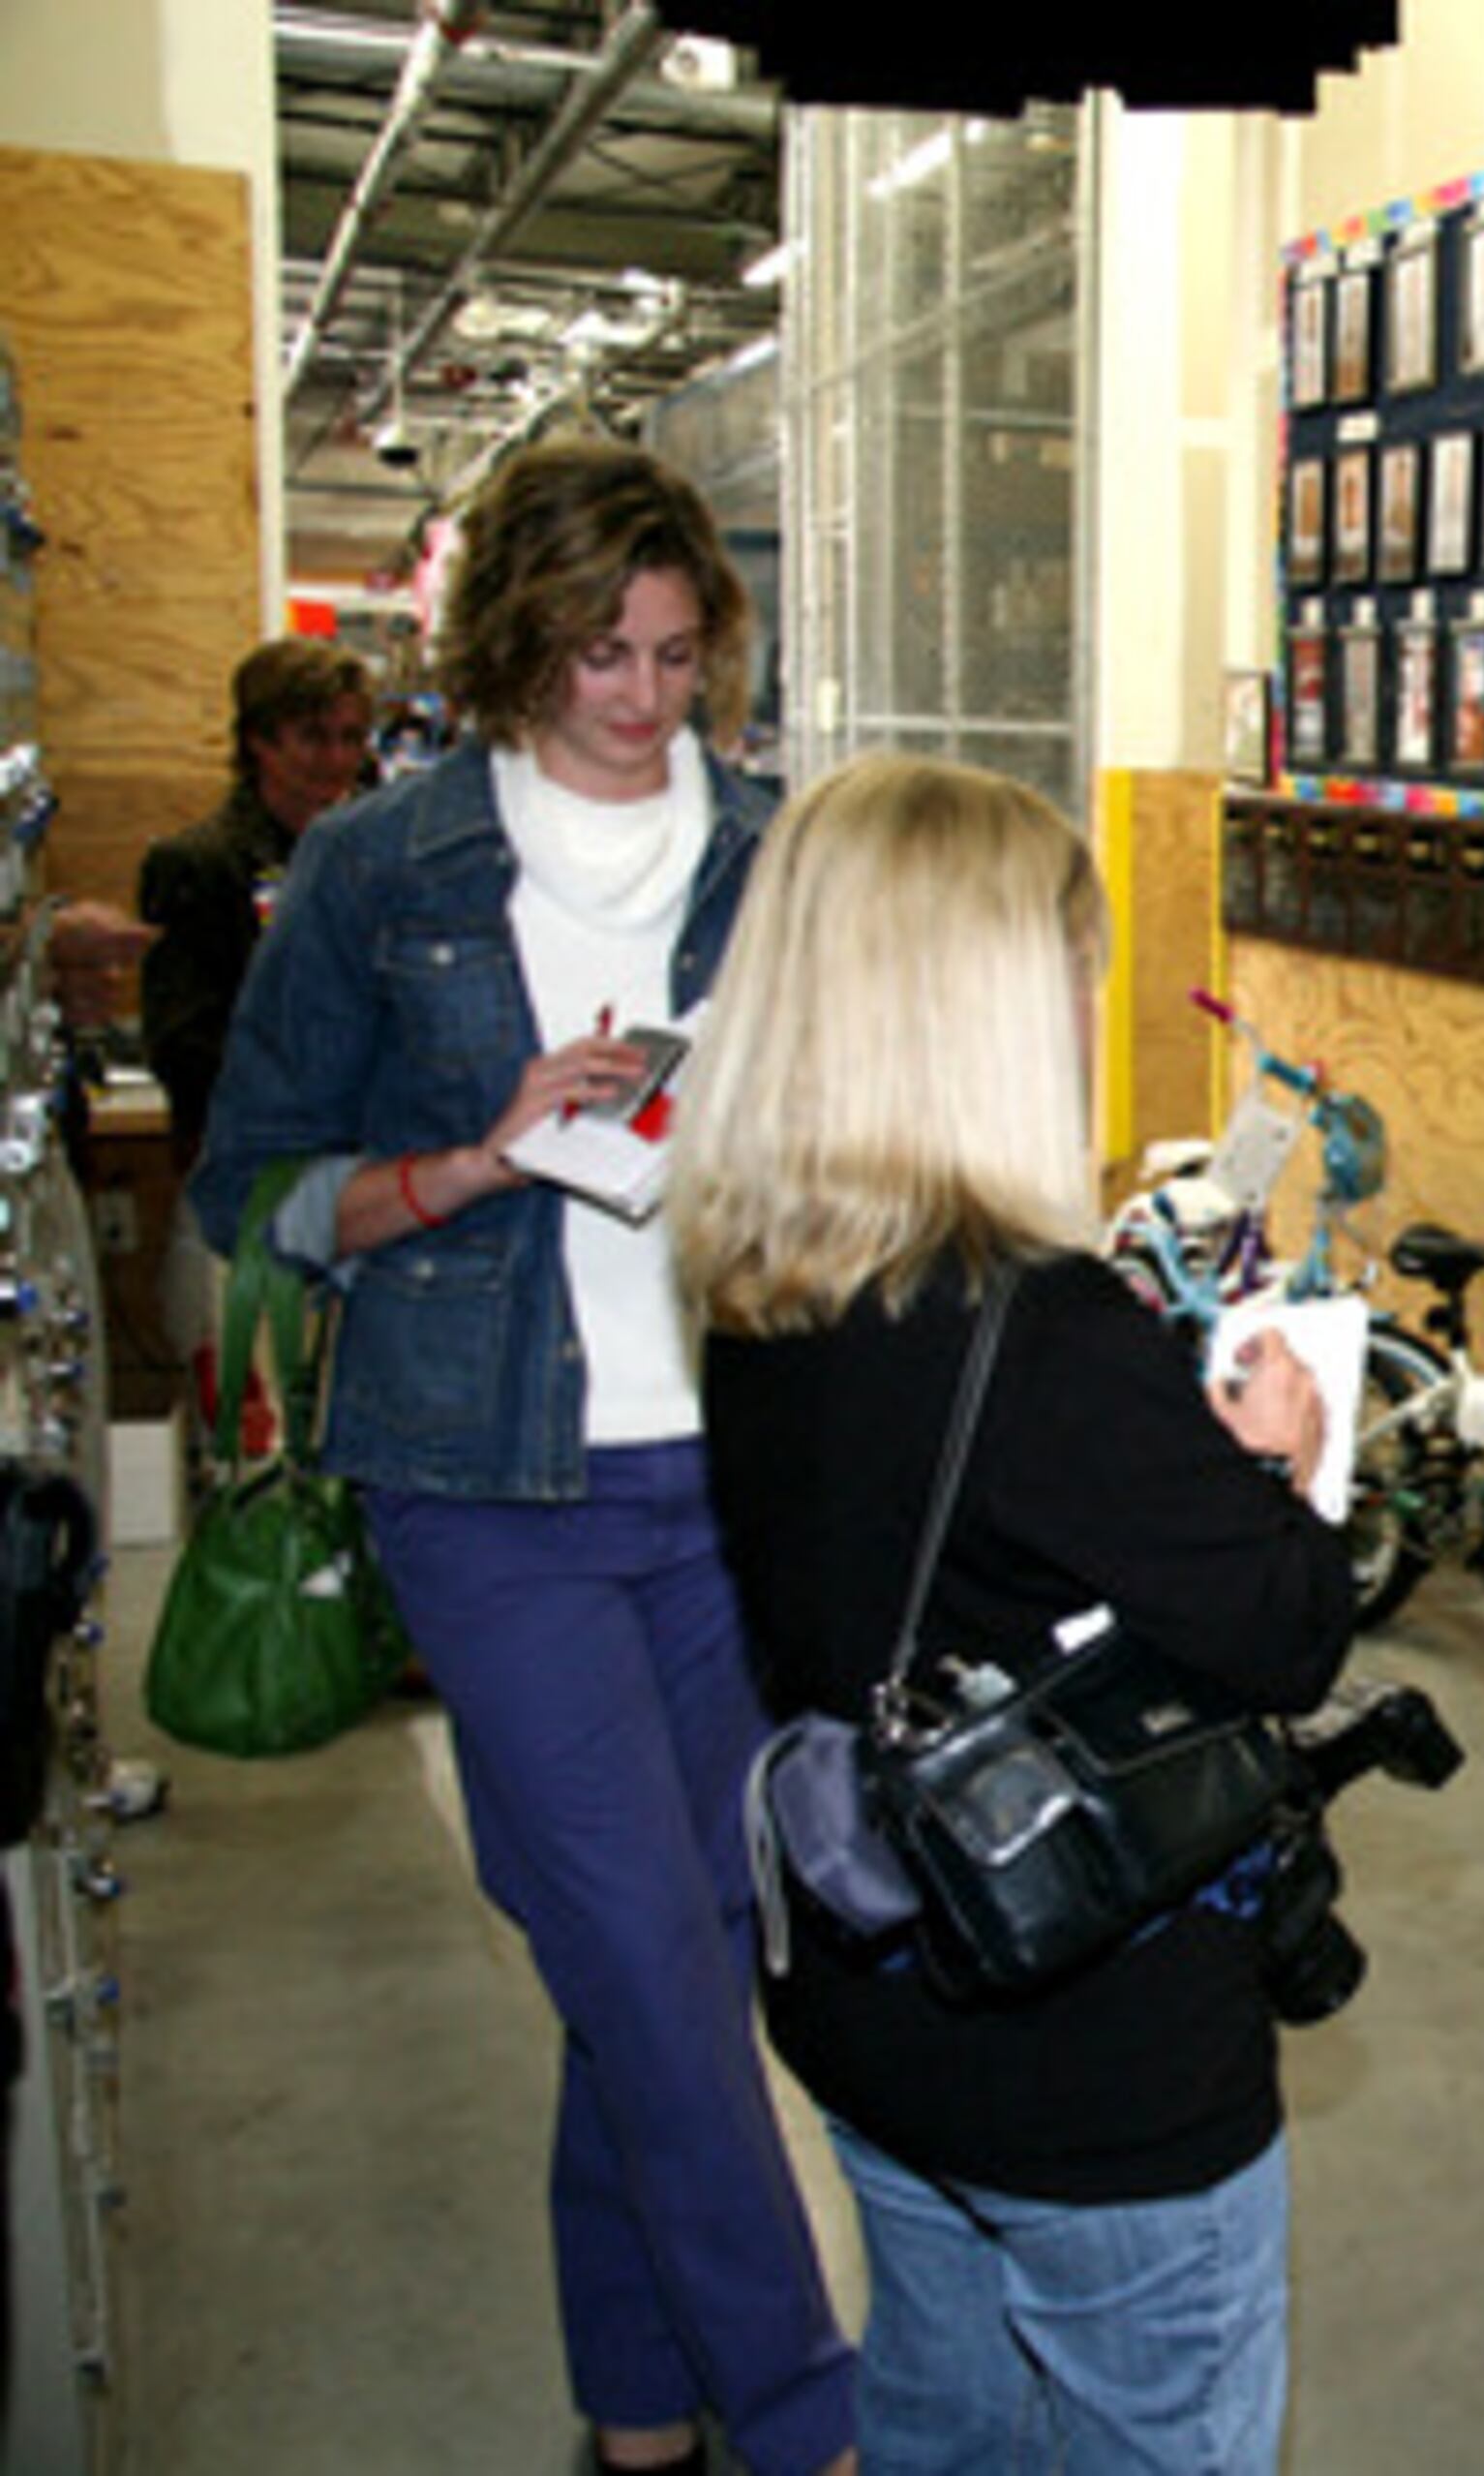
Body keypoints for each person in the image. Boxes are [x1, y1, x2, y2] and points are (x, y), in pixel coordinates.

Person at [191, 438, 856, 2476]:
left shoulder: (778, 853)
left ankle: (637, 2415)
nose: (641, 699)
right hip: (489, 1495)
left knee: (670, 1964)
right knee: (646, 1952)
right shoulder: (388, 871)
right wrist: (484, 1154)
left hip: (733, 1482)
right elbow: (250, 1193)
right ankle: (813, 2422)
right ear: (512, 650)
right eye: (596, 657)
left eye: (672, 654)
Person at [671, 754, 1355, 2473]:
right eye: (1068, 963)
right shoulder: (1046, 1333)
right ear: (981, 1006)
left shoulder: (766, 1278)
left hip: (870, 1997)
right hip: (1087, 2056)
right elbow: (1290, 1635)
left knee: (946, 2415)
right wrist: (1281, 1467)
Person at [138, 635, 374, 1166]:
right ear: (259, 742)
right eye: (313, 738)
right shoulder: (199, 864)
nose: (336, 758)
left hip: (363, 1163)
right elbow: (184, 1045)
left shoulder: (381, 861)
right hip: (246, 1161)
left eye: (352, 737)